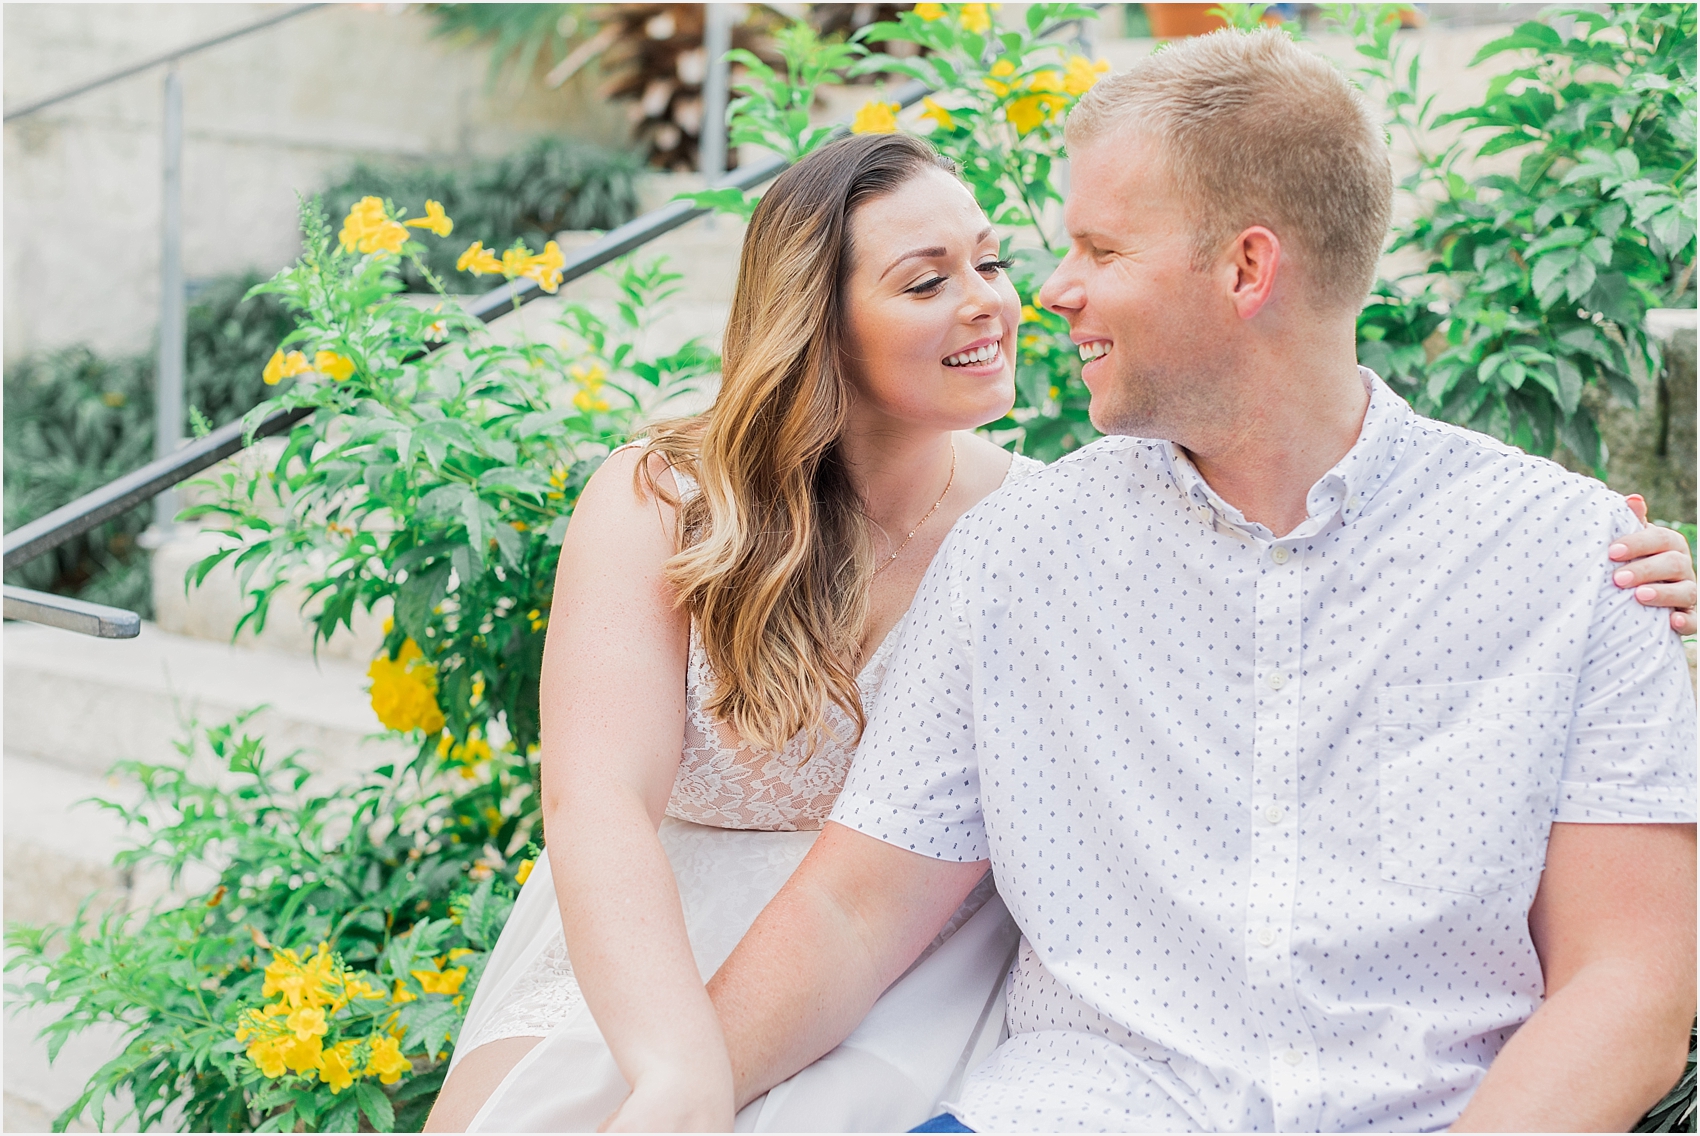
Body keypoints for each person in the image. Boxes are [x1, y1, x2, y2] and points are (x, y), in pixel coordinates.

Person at [623, 29, 1699, 1133]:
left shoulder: (1574, 563)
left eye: (1098, 248)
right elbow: (853, 912)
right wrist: (668, 1107)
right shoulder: (1014, 556)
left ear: (1244, 269)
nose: (1050, 290)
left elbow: (1628, 986)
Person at [424, 132, 1042, 1132]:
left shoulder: (1029, 528)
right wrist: (675, 1071)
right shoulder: (660, 498)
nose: (986, 301)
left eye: (990, 260)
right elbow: (599, 800)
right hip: (646, 941)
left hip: (910, 966)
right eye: (926, 282)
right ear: (819, 325)